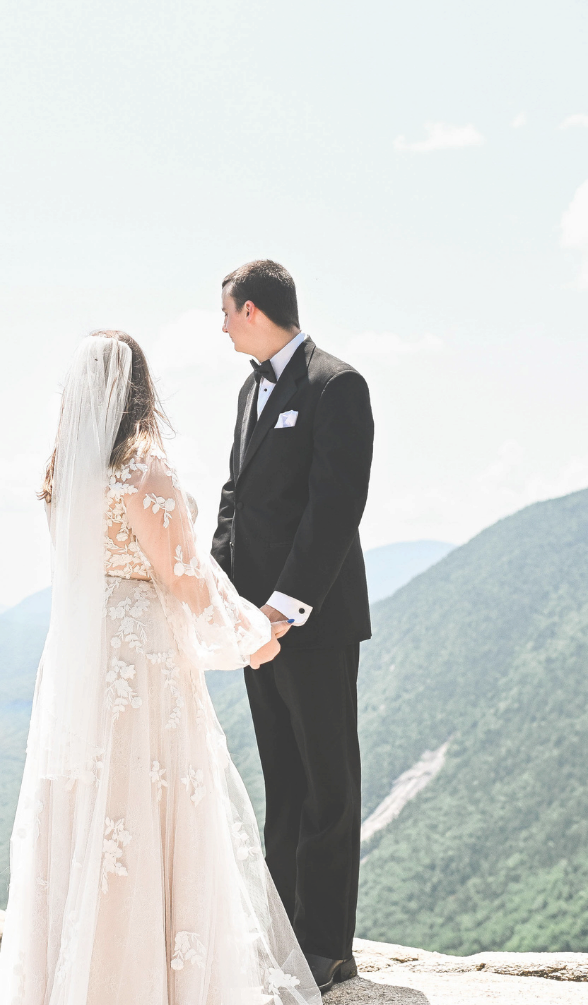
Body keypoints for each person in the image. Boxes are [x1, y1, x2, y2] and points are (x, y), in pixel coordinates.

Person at [0, 331, 321, 1005]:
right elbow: (183, 579)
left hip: (81, 654)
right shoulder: (142, 471)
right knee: (151, 798)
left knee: (94, 805)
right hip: (139, 655)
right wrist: (252, 632)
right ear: (139, 391)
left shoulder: (64, 474)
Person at [212, 260, 375, 989]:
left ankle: (327, 946)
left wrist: (284, 606)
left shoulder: (336, 384)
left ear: (251, 310)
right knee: (283, 780)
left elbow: (334, 508)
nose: (220, 327)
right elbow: (234, 499)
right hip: (255, 627)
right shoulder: (250, 390)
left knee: (327, 784)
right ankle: (283, 933)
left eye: (225, 313)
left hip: (314, 622)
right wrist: (225, 600)